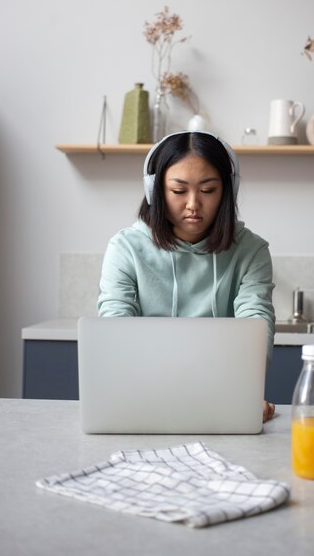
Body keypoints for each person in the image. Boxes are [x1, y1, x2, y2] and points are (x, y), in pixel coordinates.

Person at [98, 131, 276, 421]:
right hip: (141, 396)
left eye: (208, 190)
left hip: (223, 397)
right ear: (154, 190)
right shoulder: (125, 248)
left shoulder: (251, 250)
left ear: (227, 190)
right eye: (179, 191)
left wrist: (244, 393)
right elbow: (115, 325)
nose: (193, 203)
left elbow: (256, 322)